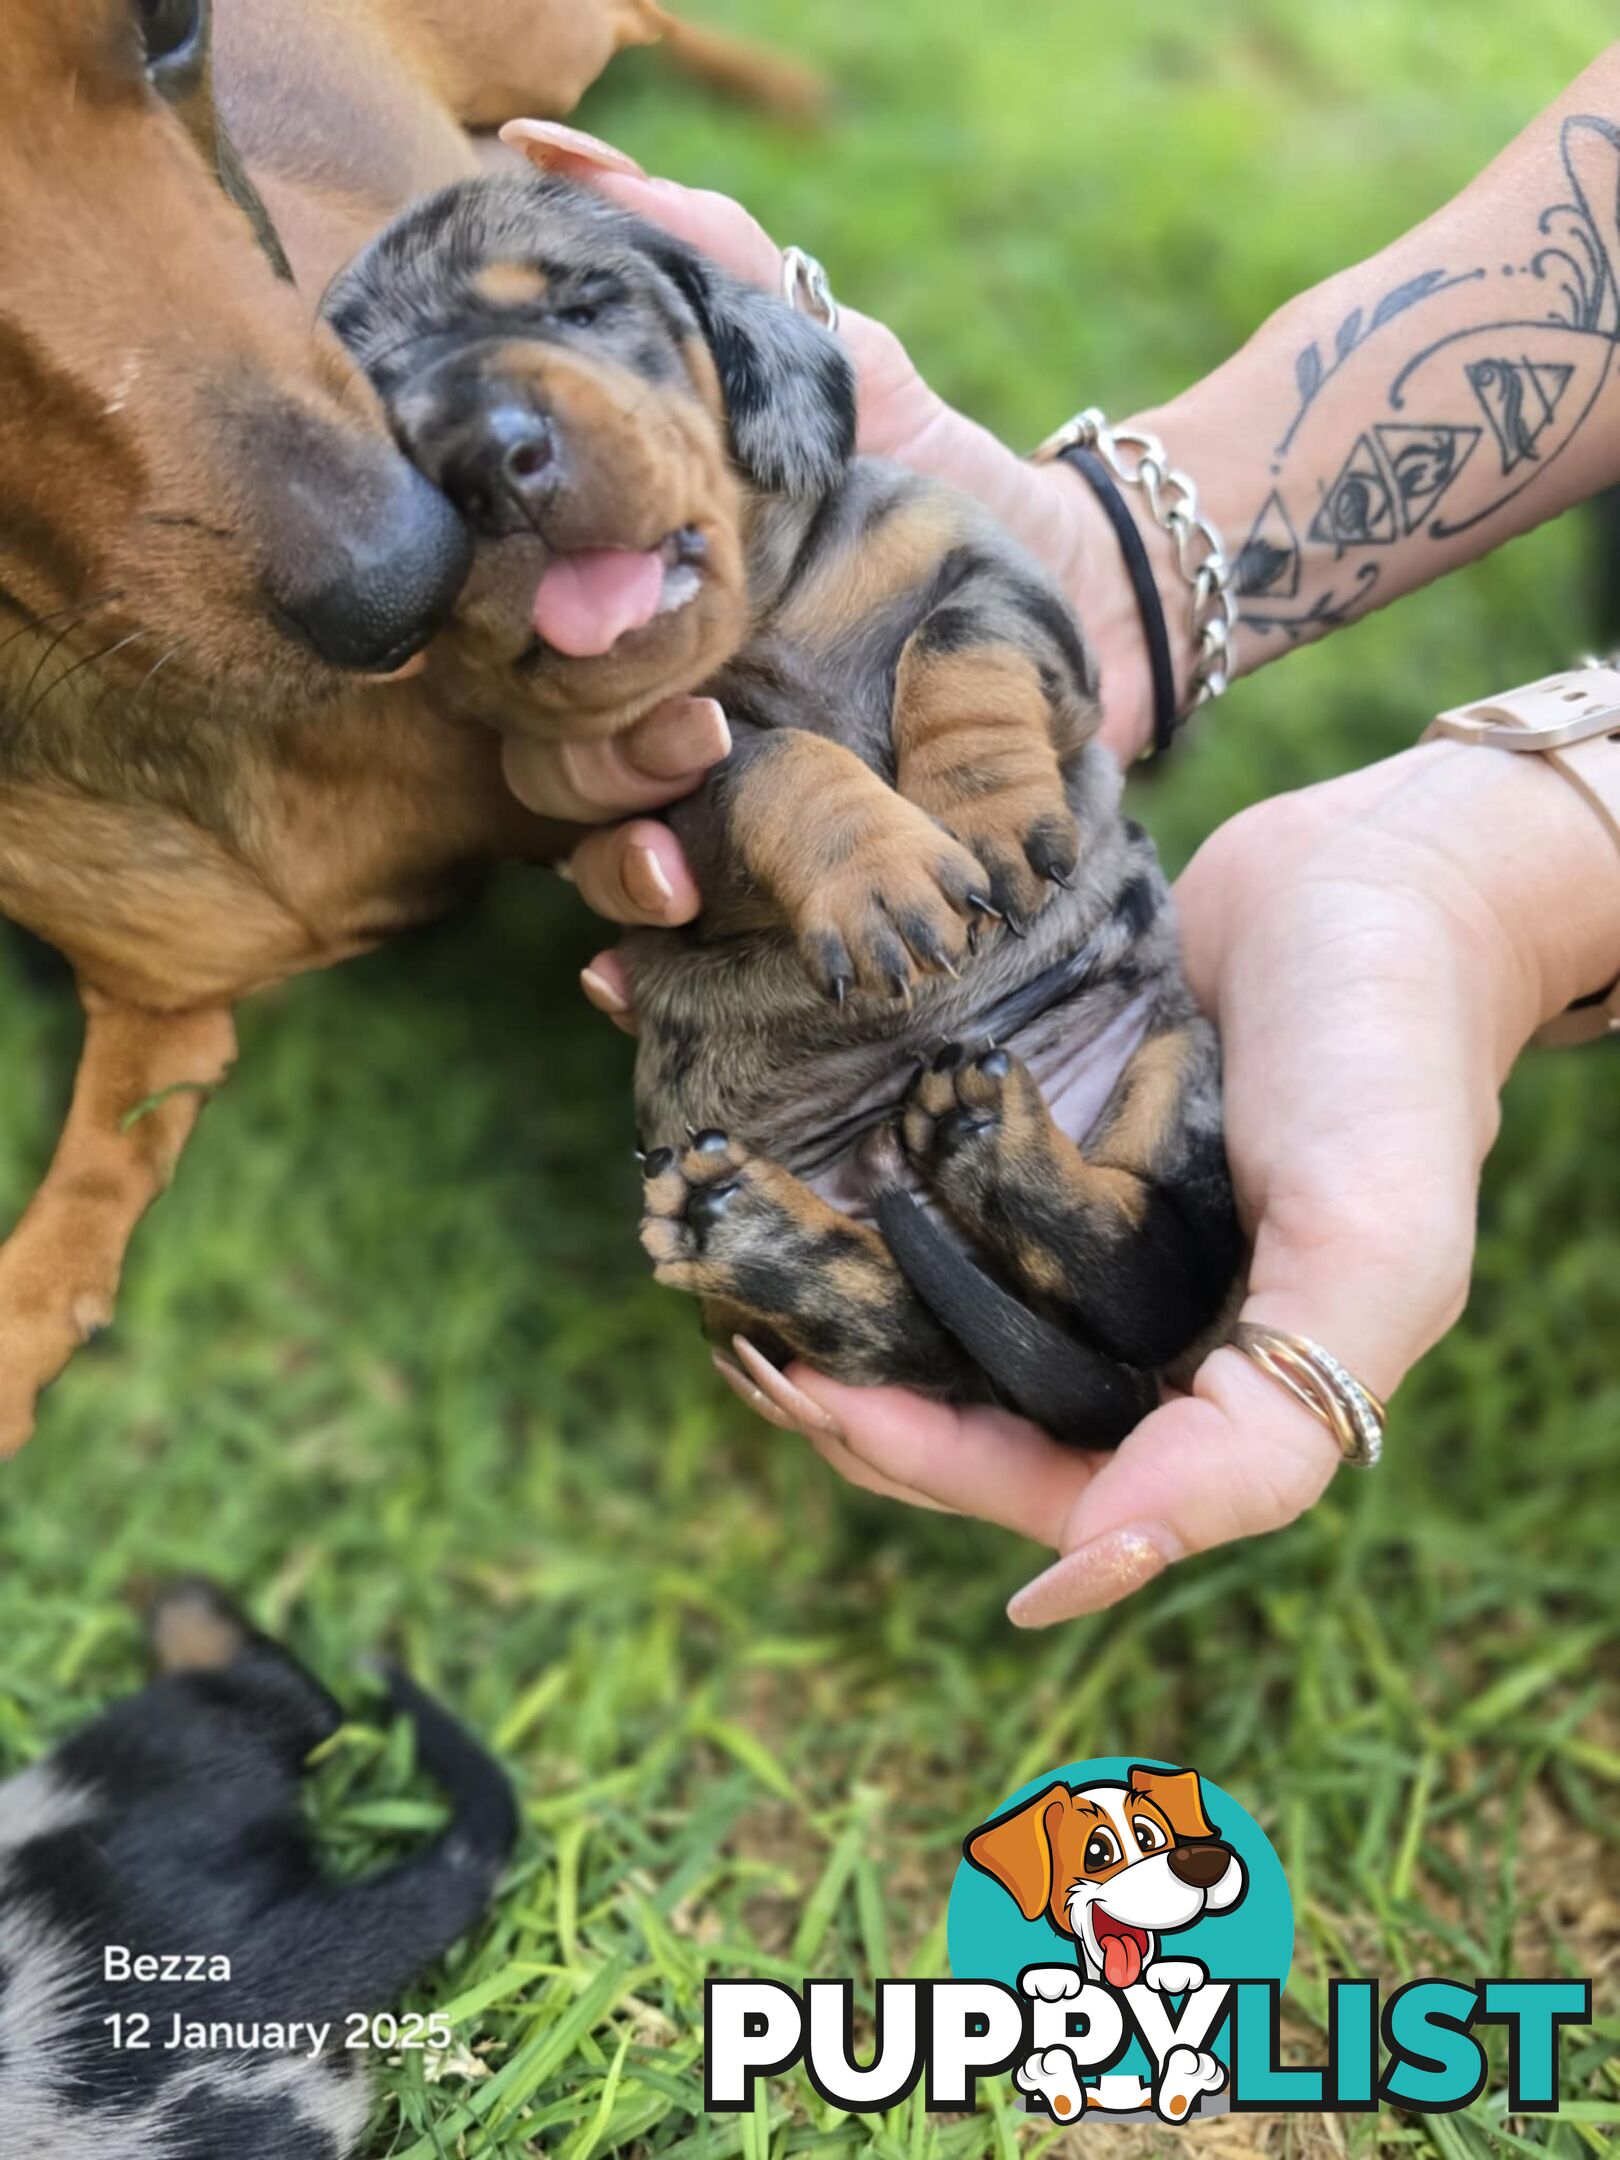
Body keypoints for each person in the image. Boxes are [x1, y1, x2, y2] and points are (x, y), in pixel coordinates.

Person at [489, 52, 1620, 1624]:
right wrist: (1122, 567)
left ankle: (1004, 1217)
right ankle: (880, 1260)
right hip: (840, 1081)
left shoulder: (861, 529)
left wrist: (1496, 879)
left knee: (1149, 1184)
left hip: (1049, 1059)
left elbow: (969, 640)